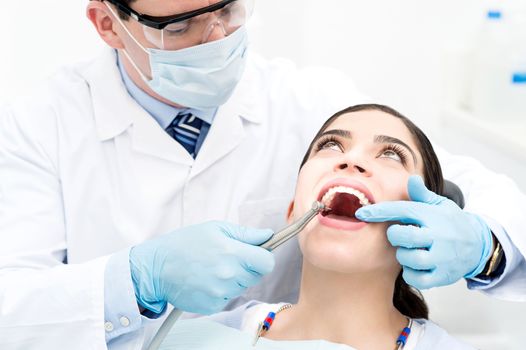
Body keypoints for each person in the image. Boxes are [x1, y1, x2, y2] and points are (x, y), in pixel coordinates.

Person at [0, 1, 524, 349]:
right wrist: (135, 279)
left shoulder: (307, 101)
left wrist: (487, 246)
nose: (216, 36)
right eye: (180, 25)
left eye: (228, 7)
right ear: (109, 24)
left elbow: (469, 185)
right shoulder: (38, 126)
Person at [159, 104, 476, 350]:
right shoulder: (200, 339)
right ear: (292, 210)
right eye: (331, 146)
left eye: (391, 154)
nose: (351, 160)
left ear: (422, 225)